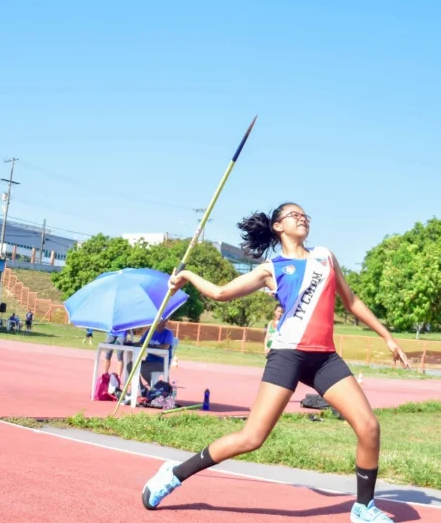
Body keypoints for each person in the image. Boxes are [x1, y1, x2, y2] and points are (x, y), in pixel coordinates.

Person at [142, 203, 409, 522]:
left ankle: (363, 508)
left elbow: (351, 301)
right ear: (278, 226)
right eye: (294, 215)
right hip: (288, 355)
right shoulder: (272, 268)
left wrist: (387, 336)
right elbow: (222, 293)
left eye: (305, 215)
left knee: (369, 427)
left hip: (324, 357)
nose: (302, 218)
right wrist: (186, 275)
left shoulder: (325, 256)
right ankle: (174, 473)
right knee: (252, 438)